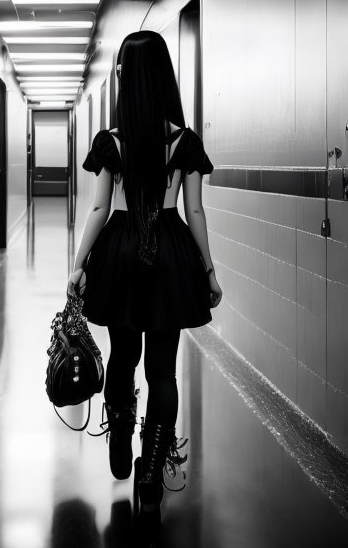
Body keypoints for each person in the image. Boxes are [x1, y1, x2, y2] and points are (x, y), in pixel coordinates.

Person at [67, 30, 222, 530]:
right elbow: (194, 210)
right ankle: (152, 471)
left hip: (120, 252)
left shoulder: (111, 142)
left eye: (119, 69)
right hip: (170, 251)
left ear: (128, 78)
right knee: (162, 369)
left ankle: (120, 433)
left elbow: (97, 207)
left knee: (123, 354)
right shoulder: (185, 141)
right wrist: (209, 269)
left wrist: (78, 263)